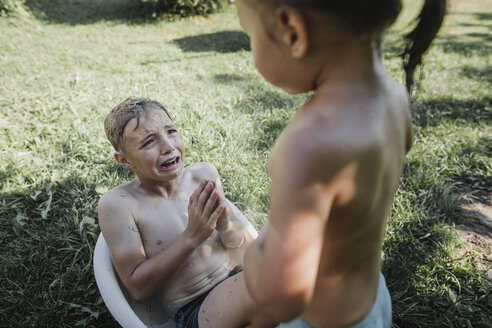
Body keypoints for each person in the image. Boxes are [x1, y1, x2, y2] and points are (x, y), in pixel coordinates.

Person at [235, 0, 446, 327]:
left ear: (292, 32)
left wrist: (253, 253)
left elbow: (280, 298)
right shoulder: (393, 98)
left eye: (250, 35)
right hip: (372, 304)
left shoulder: (311, 144)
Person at [98, 98, 277, 328]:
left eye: (171, 131)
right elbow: (137, 288)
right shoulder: (120, 204)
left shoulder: (202, 175)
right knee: (265, 284)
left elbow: (245, 253)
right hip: (197, 309)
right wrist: (192, 236)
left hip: (240, 279)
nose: (168, 146)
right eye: (149, 142)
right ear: (124, 160)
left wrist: (225, 225)